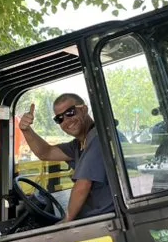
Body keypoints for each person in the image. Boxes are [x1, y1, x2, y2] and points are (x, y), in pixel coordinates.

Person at [17, 93, 115, 222]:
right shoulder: (78, 144)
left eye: (70, 112)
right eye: (59, 119)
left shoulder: (98, 138)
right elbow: (45, 153)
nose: (67, 121)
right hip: (97, 216)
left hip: (108, 218)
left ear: (84, 109)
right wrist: (26, 130)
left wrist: (66, 222)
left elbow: (83, 185)